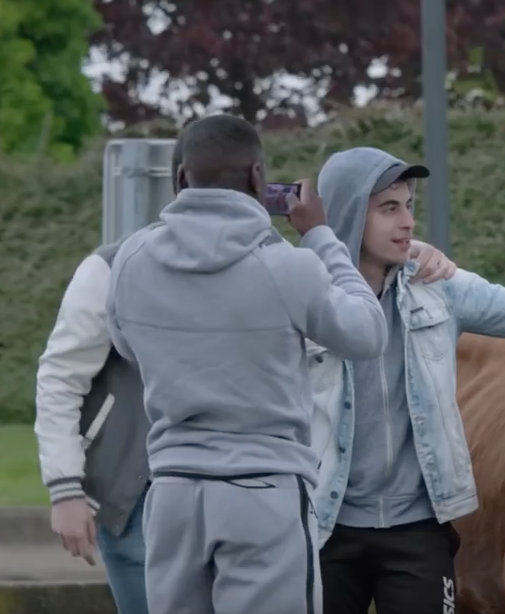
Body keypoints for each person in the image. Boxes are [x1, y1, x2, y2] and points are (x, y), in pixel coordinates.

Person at [104, 114, 388, 614]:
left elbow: (128, 346)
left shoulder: (132, 259)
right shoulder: (287, 265)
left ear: (180, 179)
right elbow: (367, 333)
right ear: (258, 178)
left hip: (172, 492)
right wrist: (321, 237)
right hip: (264, 493)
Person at [310, 146, 505, 614]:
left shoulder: (437, 287)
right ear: (349, 213)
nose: (408, 222)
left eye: (409, 206)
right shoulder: (301, 292)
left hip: (418, 529)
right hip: (323, 526)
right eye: (389, 209)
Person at [33, 137, 191, 614]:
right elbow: (61, 376)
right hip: (133, 493)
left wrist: (405, 257)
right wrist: (65, 489)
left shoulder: (266, 269)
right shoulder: (109, 267)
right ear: (181, 183)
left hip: (231, 492)